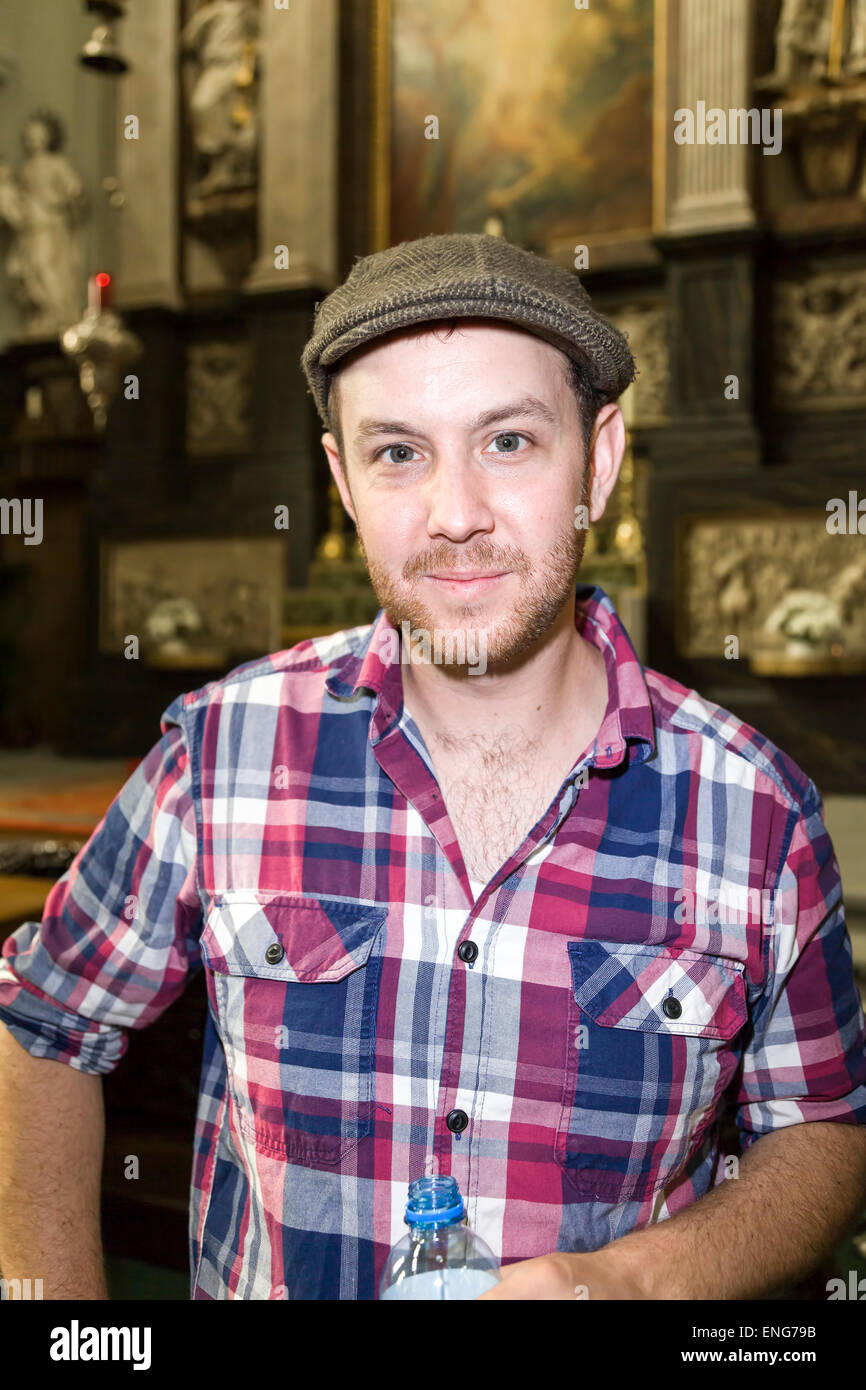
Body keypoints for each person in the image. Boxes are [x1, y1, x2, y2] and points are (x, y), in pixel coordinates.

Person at [1, 233, 865, 1302]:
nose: (453, 515)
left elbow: (821, 1127)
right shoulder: (220, 753)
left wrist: (634, 1281)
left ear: (597, 460)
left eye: (507, 441)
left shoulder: (758, 812)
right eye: (398, 453)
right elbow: (42, 1028)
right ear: (341, 481)